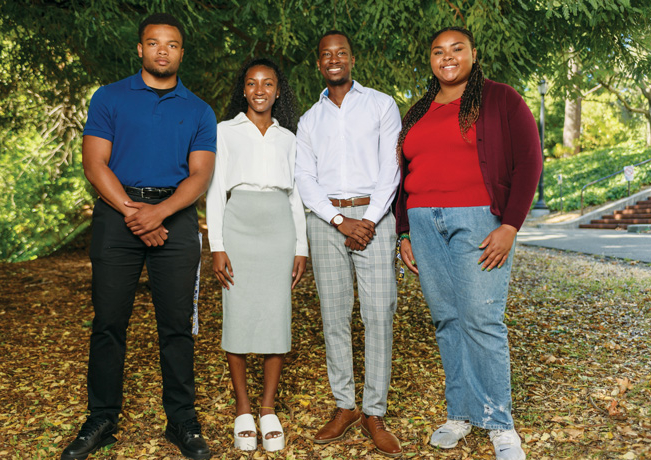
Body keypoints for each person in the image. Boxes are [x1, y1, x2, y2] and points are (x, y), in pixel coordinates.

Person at [61, 13, 216, 460]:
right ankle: (102, 418)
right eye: (153, 43)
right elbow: (95, 165)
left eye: (171, 44)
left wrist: (160, 213)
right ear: (140, 49)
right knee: (108, 323)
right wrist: (134, 213)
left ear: (181, 52)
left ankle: (182, 421)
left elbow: (200, 175)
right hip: (117, 214)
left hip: (177, 216)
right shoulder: (109, 98)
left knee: (177, 327)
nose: (162, 51)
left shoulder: (199, 109)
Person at [395, 27, 542, 460]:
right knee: (447, 319)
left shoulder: (500, 99)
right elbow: (402, 175)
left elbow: (530, 161)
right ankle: (461, 411)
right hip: (424, 223)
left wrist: (510, 225)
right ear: (431, 60)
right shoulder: (418, 110)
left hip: (479, 220)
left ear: (473, 54)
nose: (447, 57)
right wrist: (403, 230)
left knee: (482, 318)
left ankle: (499, 422)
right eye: (438, 51)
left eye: (457, 49)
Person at [295, 30, 403, 458]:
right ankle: (345, 406)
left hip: (374, 218)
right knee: (334, 315)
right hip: (326, 222)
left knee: (379, 314)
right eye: (326, 55)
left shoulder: (380, 104)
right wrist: (340, 220)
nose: (334, 59)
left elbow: (390, 169)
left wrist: (368, 220)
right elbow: (305, 177)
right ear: (319, 64)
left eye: (341, 53)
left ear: (352, 59)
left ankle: (375, 412)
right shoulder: (309, 119)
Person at [206, 57, 308, 453]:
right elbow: (215, 191)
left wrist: (301, 246)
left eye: (268, 84)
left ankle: (268, 409)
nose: (260, 90)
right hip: (239, 225)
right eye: (252, 83)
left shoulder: (289, 137)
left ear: (278, 91)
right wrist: (217, 246)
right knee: (238, 315)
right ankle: (243, 410)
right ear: (243, 89)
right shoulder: (224, 131)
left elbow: (296, 194)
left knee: (276, 316)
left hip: (279, 228)